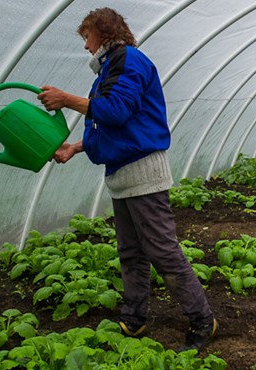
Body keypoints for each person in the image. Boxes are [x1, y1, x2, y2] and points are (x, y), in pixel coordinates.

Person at [37, 7, 216, 351]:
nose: (86, 47)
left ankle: (202, 320)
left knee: (163, 252)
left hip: (143, 175)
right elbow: (109, 124)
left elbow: (115, 112)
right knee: (131, 253)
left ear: (103, 33)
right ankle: (134, 319)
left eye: (87, 37)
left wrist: (66, 99)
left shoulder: (129, 61)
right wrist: (75, 147)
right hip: (123, 176)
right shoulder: (109, 68)